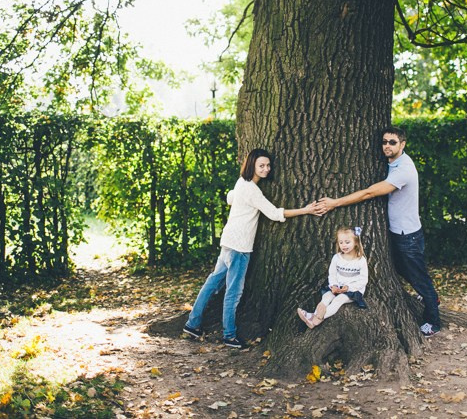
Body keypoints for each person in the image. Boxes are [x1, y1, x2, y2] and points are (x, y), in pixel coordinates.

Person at [183, 148, 321, 348]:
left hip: (228, 242)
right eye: (261, 166)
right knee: (233, 292)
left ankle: (192, 324)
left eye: (268, 165)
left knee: (212, 284)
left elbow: (230, 197)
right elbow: (274, 213)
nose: (266, 169)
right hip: (239, 248)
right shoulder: (253, 190)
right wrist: (306, 210)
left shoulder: (241, 183)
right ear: (252, 166)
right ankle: (229, 335)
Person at [317, 126, 442, 337]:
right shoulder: (395, 162)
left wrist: (335, 203)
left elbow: (369, 193)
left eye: (392, 142)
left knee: (419, 278)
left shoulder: (403, 170)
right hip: (399, 231)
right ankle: (429, 295)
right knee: (401, 269)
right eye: (384, 142)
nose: (387, 146)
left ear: (402, 144)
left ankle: (433, 320)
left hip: (407, 235)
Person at [297, 226, 368, 328]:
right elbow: (332, 274)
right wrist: (333, 285)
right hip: (338, 287)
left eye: (347, 242)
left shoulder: (360, 260)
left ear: (356, 242)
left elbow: (363, 280)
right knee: (326, 297)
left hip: (353, 291)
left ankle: (315, 319)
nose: (344, 245)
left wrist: (348, 288)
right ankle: (314, 316)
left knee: (338, 300)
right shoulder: (337, 258)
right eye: (341, 242)